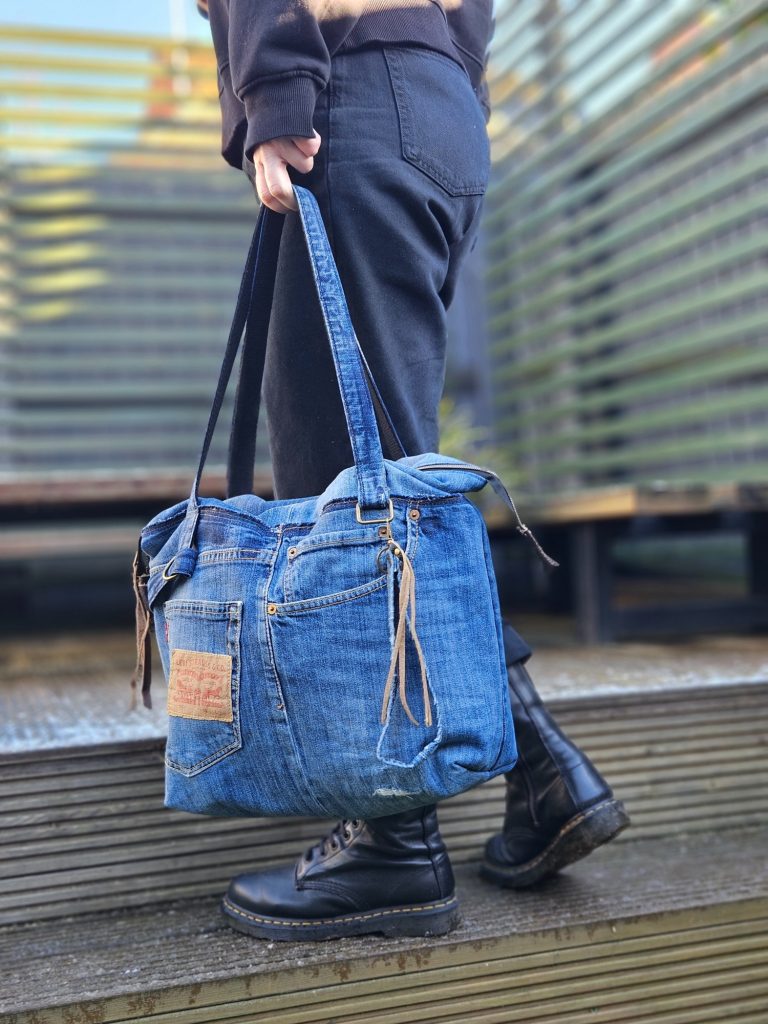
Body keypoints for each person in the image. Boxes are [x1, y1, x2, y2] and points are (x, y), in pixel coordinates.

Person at [197, 0, 630, 942]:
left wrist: (273, 91)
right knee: (390, 473)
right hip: (435, 108)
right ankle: (542, 773)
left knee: (340, 488)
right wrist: (441, 86)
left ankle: (391, 846)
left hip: (345, 101)